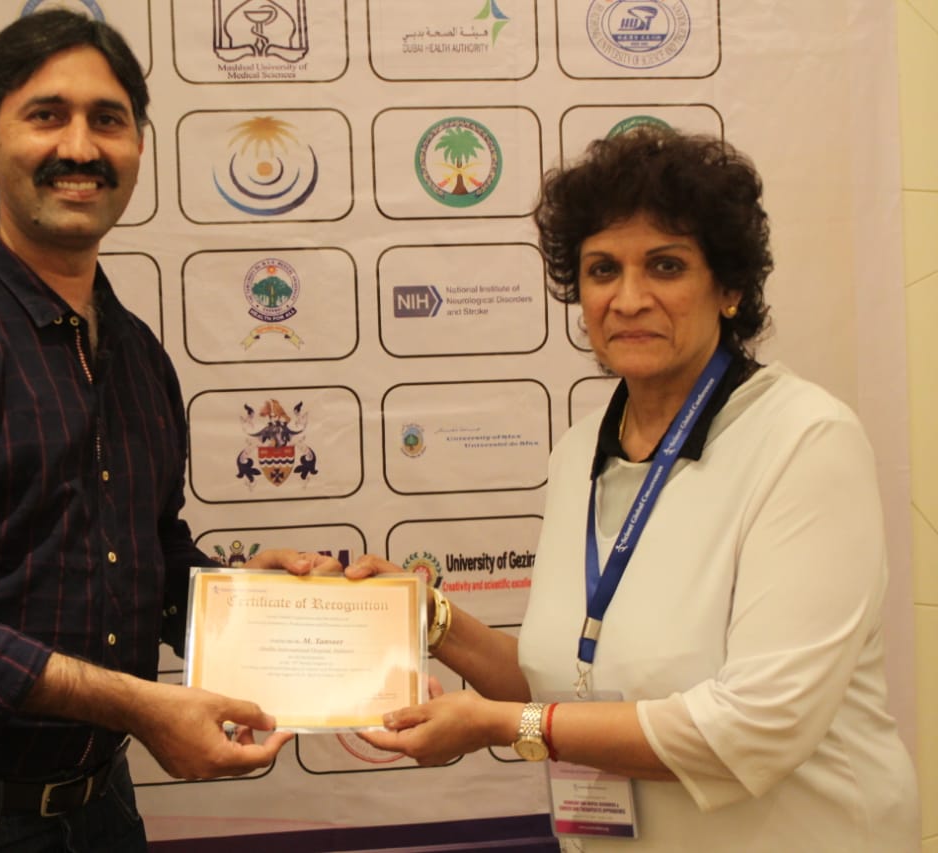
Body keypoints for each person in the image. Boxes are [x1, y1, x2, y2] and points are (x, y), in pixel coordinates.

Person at [0, 11, 338, 851]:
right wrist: (138, 704)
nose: (82, 147)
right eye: (47, 115)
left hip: (99, 808)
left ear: (138, 148)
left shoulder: (137, 352)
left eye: (108, 119)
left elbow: (144, 556)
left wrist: (238, 603)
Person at [351, 128, 920, 850]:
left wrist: (501, 726)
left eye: (665, 266)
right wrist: (428, 619)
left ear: (730, 288)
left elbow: (754, 727)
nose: (627, 299)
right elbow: (570, 683)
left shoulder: (806, 441)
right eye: (602, 270)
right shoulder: (579, 452)